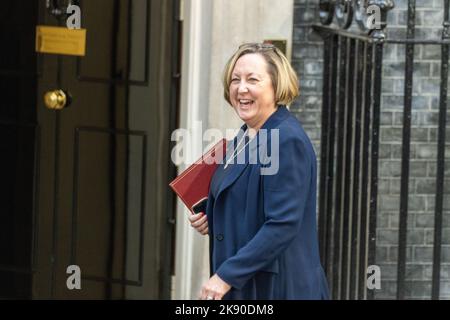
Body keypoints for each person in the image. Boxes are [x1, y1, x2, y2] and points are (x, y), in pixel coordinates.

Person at [188, 42, 330, 300]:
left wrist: (225, 276)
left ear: (277, 86)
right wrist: (215, 214)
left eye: (253, 79)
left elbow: (282, 223)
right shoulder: (246, 135)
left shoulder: (286, 140)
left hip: (278, 289)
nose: (241, 88)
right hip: (247, 286)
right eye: (235, 79)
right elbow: (251, 202)